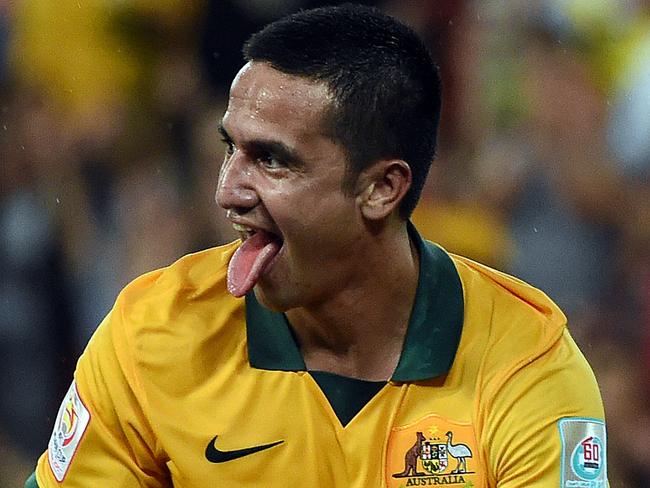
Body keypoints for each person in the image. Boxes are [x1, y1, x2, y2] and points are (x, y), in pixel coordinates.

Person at [26, 4, 608, 487]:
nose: (227, 190)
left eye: (272, 159)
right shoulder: (152, 334)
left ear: (382, 188)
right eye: (231, 148)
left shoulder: (526, 365)